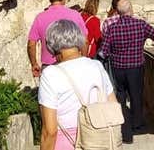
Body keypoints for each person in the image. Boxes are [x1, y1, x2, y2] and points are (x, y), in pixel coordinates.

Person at [38, 20, 119, 150]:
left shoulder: (50, 74)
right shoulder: (96, 66)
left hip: (68, 142)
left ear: (51, 45)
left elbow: (50, 131)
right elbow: (113, 105)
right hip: (99, 139)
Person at [98, 0, 154, 144]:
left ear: (118, 12)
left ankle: (125, 128)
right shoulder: (140, 25)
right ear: (130, 10)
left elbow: (103, 52)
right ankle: (137, 124)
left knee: (121, 98)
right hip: (136, 67)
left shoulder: (112, 28)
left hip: (118, 69)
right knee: (136, 96)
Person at [28, 0, 88, 77]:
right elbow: (85, 41)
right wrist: (84, 59)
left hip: (49, 66)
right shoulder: (75, 15)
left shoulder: (40, 17)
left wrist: (34, 63)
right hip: (73, 63)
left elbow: (31, 44)